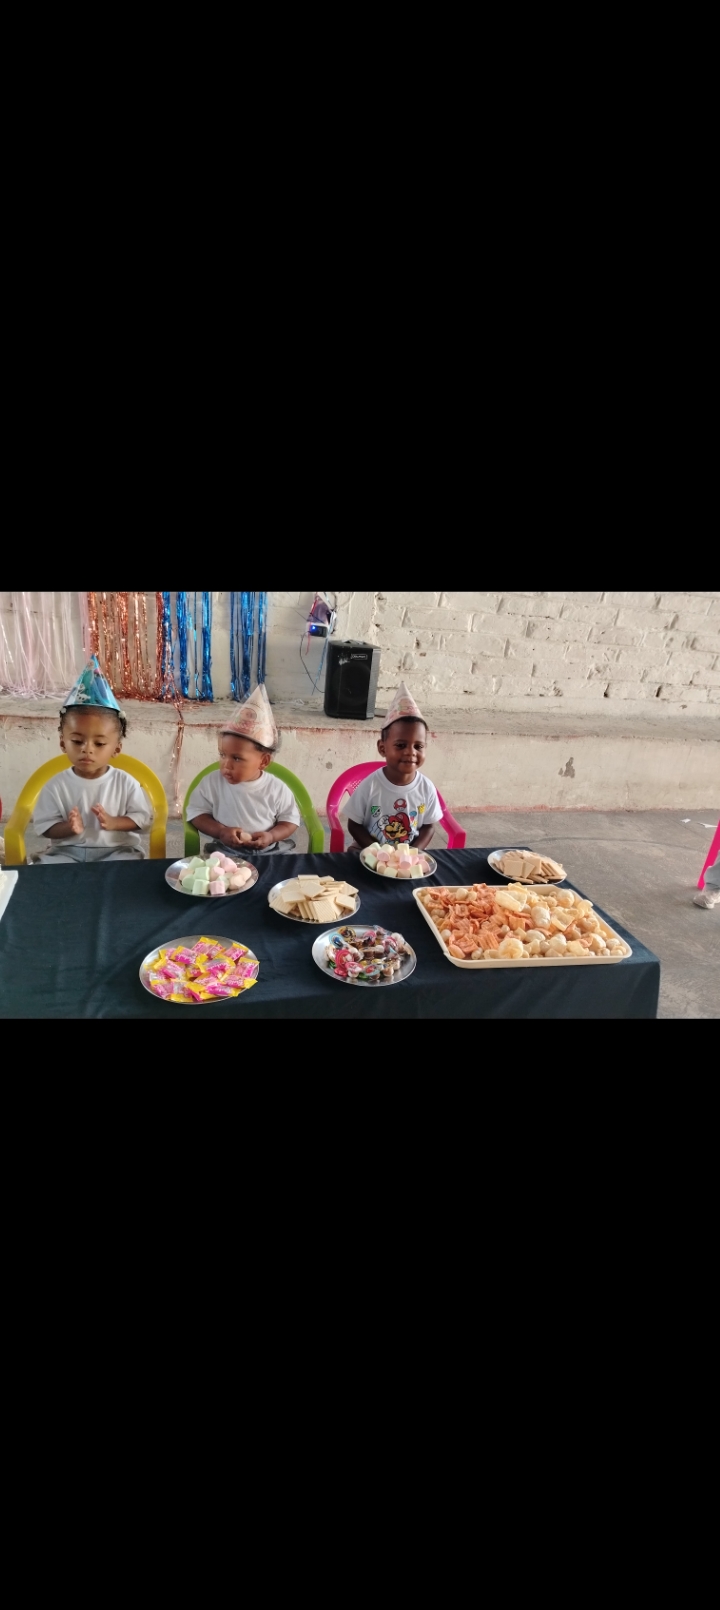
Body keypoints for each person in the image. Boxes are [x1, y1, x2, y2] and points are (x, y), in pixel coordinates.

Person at [33, 656, 152, 863]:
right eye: (77, 741)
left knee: (129, 866)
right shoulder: (56, 786)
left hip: (116, 850)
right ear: (63, 744)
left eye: (99, 743)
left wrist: (115, 822)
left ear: (116, 748)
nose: (87, 749)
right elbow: (45, 826)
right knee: (46, 868)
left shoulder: (126, 783)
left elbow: (143, 819)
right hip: (67, 851)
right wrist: (69, 828)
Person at [187, 683, 300, 856]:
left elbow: (289, 821)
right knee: (212, 866)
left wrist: (271, 836)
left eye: (237, 758)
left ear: (263, 761)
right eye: (222, 755)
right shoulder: (211, 783)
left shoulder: (277, 789)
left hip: (270, 849)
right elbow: (197, 814)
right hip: (226, 849)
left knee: (292, 865)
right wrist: (221, 832)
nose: (226, 764)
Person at [347, 681, 442, 852]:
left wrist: (413, 852)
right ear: (382, 748)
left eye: (418, 746)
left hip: (408, 856)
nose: (411, 752)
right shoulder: (371, 785)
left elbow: (429, 827)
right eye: (400, 745)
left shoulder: (426, 788)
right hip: (368, 851)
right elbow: (354, 824)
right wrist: (377, 852)